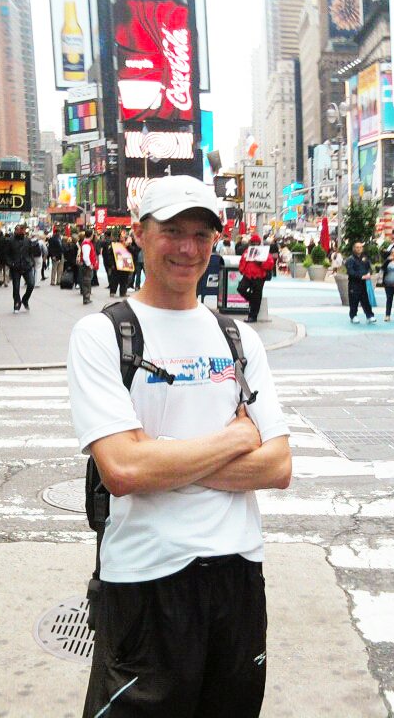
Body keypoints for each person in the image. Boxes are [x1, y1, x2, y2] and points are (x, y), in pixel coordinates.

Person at [67, 174, 291, 717]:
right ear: (140, 234)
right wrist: (236, 438)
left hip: (238, 575)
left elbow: (278, 465)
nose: (188, 248)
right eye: (172, 231)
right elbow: (122, 469)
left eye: (201, 234)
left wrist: (162, 456)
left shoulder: (237, 337)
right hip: (145, 580)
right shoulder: (102, 335)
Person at [238, 234, 276, 323]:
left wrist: (261, 263)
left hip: (260, 277)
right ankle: (252, 300)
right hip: (248, 275)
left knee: (257, 296)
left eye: (256, 242)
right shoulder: (248, 251)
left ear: (259, 243)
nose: (255, 244)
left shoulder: (264, 251)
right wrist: (241, 270)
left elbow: (270, 264)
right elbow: (242, 261)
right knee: (241, 289)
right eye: (253, 242)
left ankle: (253, 316)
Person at [345, 240, 376, 324]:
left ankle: (369, 315)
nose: (359, 249)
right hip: (354, 283)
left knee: (365, 300)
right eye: (357, 247)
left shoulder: (365, 258)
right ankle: (353, 315)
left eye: (360, 247)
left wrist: (369, 273)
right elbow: (350, 272)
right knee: (354, 300)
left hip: (363, 284)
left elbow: (369, 267)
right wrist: (361, 276)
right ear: (354, 248)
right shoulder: (350, 260)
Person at [8, 225, 36, 312]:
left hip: (27, 266)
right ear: (16, 231)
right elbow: (6, 254)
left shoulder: (27, 240)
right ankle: (17, 302)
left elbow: (31, 252)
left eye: (23, 229)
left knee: (31, 284)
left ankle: (25, 299)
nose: (22, 231)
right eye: (20, 229)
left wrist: (31, 262)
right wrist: (10, 263)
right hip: (15, 267)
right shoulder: (10, 241)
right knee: (16, 287)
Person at [79, 230, 98, 305]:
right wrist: (89, 264)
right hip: (87, 266)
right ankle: (86, 299)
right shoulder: (86, 244)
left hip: (88, 266)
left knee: (87, 281)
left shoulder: (87, 243)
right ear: (91, 235)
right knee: (87, 282)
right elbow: (85, 257)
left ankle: (87, 298)